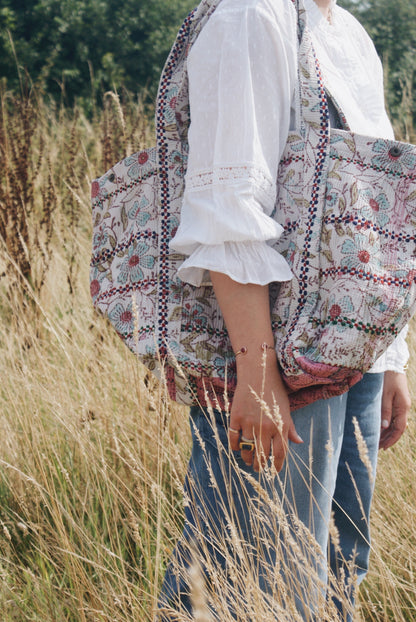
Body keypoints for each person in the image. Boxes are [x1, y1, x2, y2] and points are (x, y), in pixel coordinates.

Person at [157, 0, 412, 619]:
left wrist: (390, 357)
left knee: (335, 564)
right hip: (274, 355)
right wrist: (258, 371)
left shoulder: (344, 28)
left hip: (350, 353)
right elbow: (228, 210)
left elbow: (366, 216)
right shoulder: (251, 16)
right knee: (261, 570)